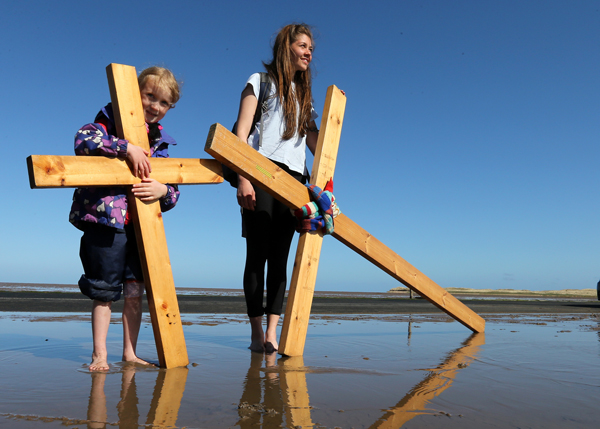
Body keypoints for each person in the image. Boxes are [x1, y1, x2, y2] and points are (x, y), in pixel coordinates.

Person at [69, 66, 181, 371]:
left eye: (164, 102)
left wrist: (162, 190)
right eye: (149, 96)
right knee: (104, 289)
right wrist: (126, 147)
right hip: (106, 222)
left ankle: (130, 352)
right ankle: (99, 354)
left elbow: (173, 190)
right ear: (133, 93)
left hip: (142, 226)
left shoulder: (161, 141)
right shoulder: (109, 120)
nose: (155, 106)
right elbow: (83, 140)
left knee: (134, 291)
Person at [234, 23, 322, 354]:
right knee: (257, 256)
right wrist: (243, 178)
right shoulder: (259, 81)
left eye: (311, 48)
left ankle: (273, 332)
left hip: (295, 181)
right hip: (260, 171)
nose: (308, 52)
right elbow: (241, 134)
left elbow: (316, 145)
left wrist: (332, 122)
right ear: (287, 47)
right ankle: (257, 333)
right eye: (302, 45)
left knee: (281, 259)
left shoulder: (305, 97)